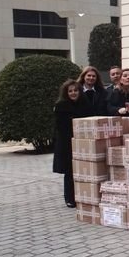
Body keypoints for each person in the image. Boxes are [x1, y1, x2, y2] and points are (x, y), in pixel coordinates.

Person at [53, 79, 91, 208]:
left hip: (82, 142)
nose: (73, 93)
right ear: (66, 93)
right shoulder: (61, 106)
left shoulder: (85, 103)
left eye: (75, 90)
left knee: (82, 170)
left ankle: (82, 196)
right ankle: (69, 198)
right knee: (69, 171)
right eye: (70, 91)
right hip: (67, 143)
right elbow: (61, 126)